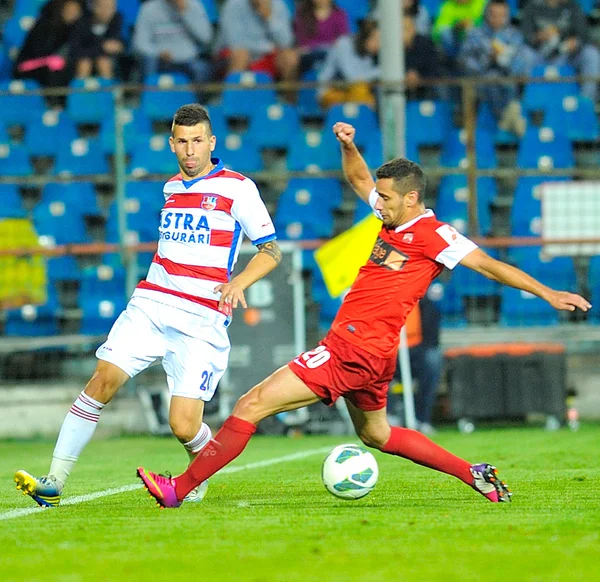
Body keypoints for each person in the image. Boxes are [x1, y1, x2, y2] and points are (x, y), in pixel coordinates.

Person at [136, 120, 591, 508]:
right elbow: (358, 181)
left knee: (250, 406)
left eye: (388, 198)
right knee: (377, 435)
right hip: (375, 354)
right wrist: (349, 147)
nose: (379, 203)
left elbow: (491, 266)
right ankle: (472, 473)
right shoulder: (392, 215)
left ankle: (178, 489)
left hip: (353, 347)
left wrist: (548, 293)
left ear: (411, 199)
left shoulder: (436, 235)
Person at [14, 104, 281, 507]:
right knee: (101, 380)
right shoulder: (171, 188)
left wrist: (238, 281)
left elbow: (271, 250)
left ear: (211, 142)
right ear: (171, 144)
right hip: (151, 304)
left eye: (197, 141)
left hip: (201, 318)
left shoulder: (238, 188)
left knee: (183, 424)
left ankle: (198, 470)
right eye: (182, 142)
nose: (190, 150)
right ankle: (54, 480)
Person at [459, 0, 533, 137]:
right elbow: (465, 62)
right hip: (481, 83)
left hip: (508, 82)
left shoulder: (514, 36)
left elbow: (520, 65)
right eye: (494, 15)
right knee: (491, 78)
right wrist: (487, 59)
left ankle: (507, 118)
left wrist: (503, 60)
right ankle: (508, 117)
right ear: (486, 15)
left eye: (502, 15)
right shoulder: (475, 34)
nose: (498, 19)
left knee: (508, 80)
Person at [520, 0, 600, 101]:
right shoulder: (532, 6)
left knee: (591, 53)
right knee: (525, 53)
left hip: (567, 55)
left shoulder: (573, 7)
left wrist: (575, 42)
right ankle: (528, 101)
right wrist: (540, 36)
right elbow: (525, 36)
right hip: (540, 54)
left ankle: (585, 102)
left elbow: (584, 36)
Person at [388, 291, 443, 435]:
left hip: (417, 351)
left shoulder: (424, 301)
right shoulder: (384, 300)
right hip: (390, 351)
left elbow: (433, 335)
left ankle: (422, 419)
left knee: (433, 360)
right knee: (375, 363)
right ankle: (388, 416)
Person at [132, 0, 214, 83]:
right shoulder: (148, 8)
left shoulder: (194, 5)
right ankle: (149, 95)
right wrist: (158, 53)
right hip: (159, 59)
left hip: (189, 59)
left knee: (201, 68)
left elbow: (206, 38)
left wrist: (186, 12)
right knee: (148, 62)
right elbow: (140, 43)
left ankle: (195, 96)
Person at [216, 0, 298, 82]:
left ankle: (288, 95)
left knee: (290, 58)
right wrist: (268, 47)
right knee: (241, 55)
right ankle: (233, 94)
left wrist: (269, 17)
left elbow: (286, 42)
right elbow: (235, 42)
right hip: (232, 54)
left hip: (267, 56)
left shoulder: (278, 4)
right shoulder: (233, 5)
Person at [13, 0, 83, 87]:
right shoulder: (45, 26)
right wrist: (52, 60)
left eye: (76, 10)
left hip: (52, 67)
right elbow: (38, 53)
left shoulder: (75, 30)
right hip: (29, 67)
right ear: (61, 9)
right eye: (69, 10)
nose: (73, 14)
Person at [71, 0, 125, 80]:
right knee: (84, 63)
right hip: (82, 60)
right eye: (103, 7)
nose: (106, 11)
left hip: (110, 62)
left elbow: (121, 44)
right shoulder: (81, 22)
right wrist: (101, 47)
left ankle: (108, 90)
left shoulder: (117, 19)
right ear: (93, 7)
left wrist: (120, 47)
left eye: (111, 7)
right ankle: (80, 91)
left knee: (103, 62)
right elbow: (75, 50)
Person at [293, 0, 350, 75]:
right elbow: (302, 41)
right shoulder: (302, 14)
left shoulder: (339, 14)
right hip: (308, 56)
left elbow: (343, 39)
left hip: (333, 54)